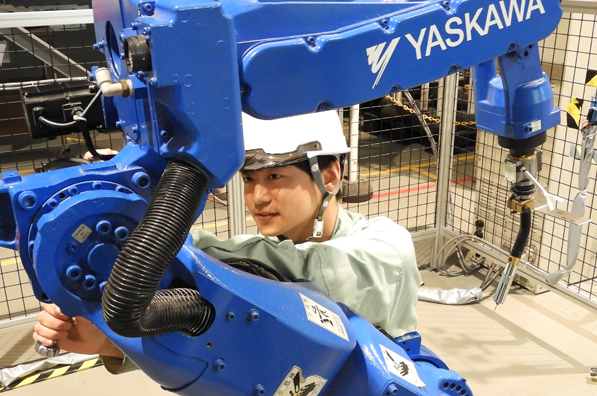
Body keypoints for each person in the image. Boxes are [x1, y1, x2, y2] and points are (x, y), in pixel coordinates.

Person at [34, 111, 421, 371]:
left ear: (330, 176)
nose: (258, 198)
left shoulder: (386, 245)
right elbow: (219, 326)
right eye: (249, 180)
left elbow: (300, 271)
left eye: (275, 177)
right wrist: (108, 339)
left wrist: (155, 245)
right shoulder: (258, 253)